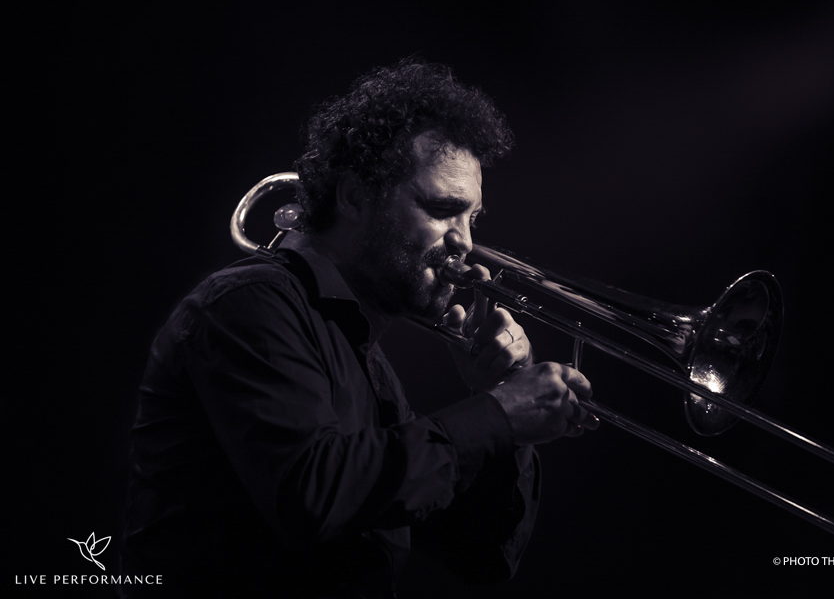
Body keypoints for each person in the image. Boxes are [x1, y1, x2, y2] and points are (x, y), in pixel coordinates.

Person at [120, 59, 597, 598]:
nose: (465, 242)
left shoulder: (367, 362)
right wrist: (495, 415)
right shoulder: (248, 304)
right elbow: (316, 496)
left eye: (472, 218)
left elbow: (480, 554)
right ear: (353, 197)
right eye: (442, 209)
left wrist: (502, 412)